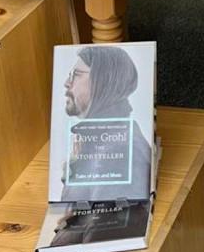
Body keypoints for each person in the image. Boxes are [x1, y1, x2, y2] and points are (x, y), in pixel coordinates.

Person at [60, 46, 152, 202]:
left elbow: (114, 222)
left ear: (102, 81)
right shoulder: (103, 141)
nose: (67, 83)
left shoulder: (122, 149)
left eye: (76, 75)